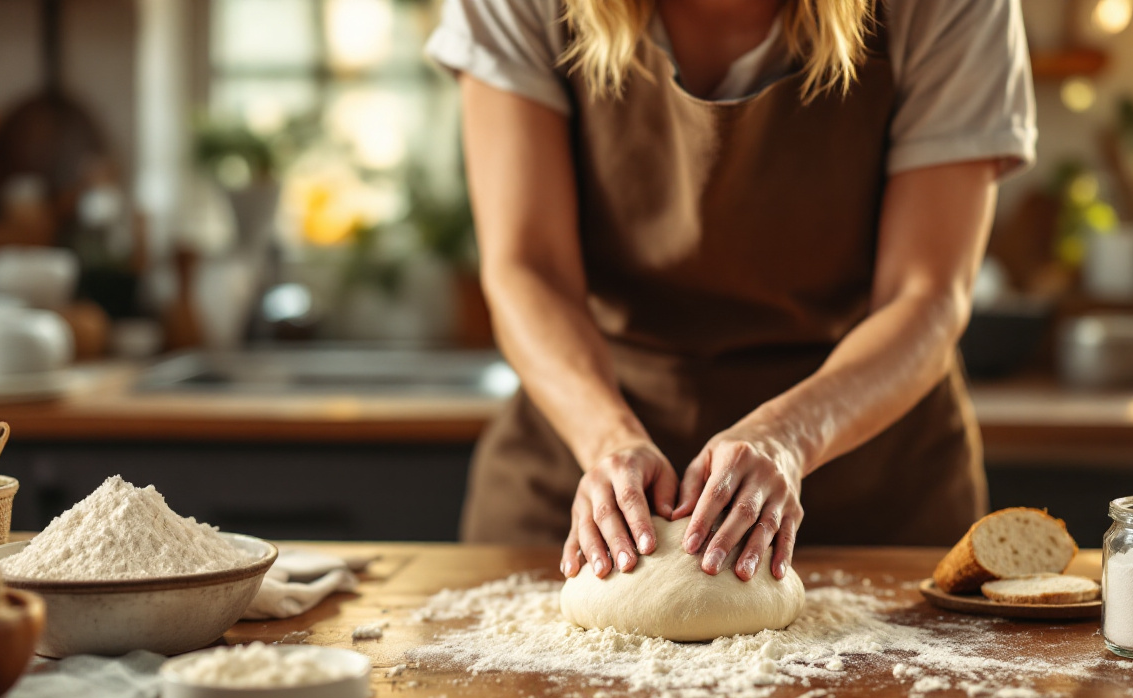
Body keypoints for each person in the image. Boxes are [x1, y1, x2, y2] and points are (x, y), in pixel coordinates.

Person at [425, 0, 1035, 583]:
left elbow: (924, 294)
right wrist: (608, 440)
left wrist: (790, 435)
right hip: (578, 452)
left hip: (869, 482)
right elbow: (529, 268)